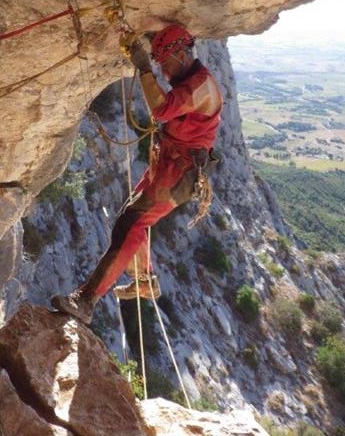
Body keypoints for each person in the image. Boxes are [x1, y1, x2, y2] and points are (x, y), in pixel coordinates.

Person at [51, 22, 223, 324]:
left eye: (165, 64)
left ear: (182, 54)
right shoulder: (191, 80)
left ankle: (87, 300)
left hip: (178, 173)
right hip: (170, 167)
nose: (165, 72)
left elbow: (162, 110)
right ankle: (145, 281)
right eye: (160, 66)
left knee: (131, 224)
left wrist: (144, 68)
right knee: (129, 220)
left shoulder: (201, 86)